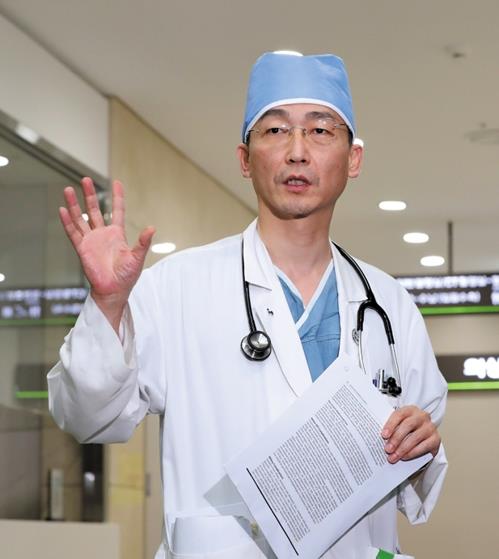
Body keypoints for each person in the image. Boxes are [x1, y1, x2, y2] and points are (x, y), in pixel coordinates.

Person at [48, 52, 448, 559]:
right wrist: (107, 305)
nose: (297, 151)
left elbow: (418, 468)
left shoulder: (390, 305)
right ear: (244, 158)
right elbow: (86, 417)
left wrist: (422, 445)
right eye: (275, 130)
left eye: (320, 130)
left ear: (353, 159)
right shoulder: (176, 288)